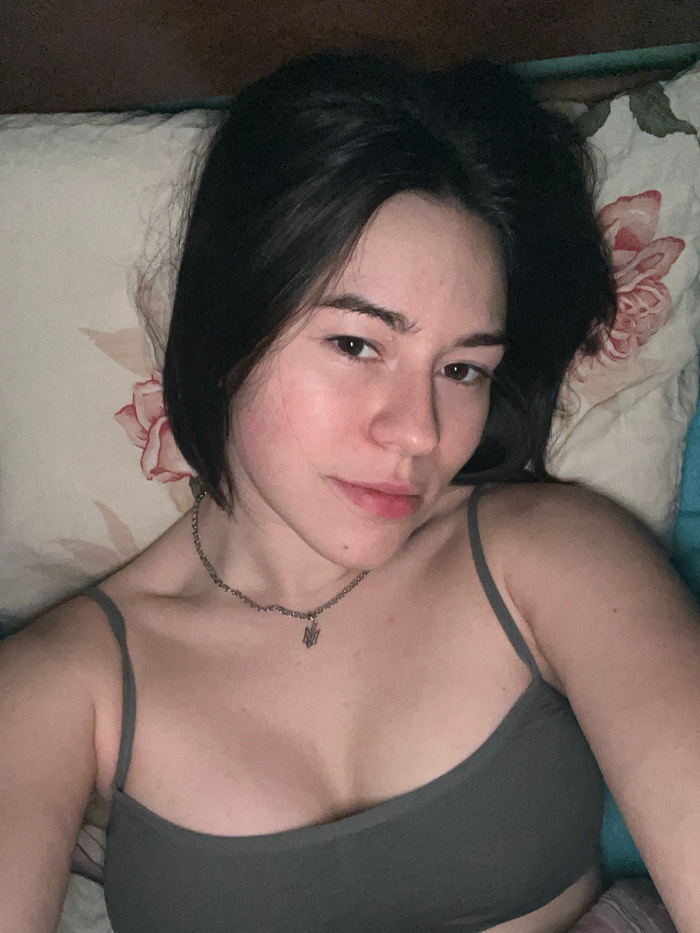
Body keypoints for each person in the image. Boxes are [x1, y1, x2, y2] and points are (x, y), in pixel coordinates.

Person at [1, 53, 699, 933]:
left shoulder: (555, 555)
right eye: (358, 345)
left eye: (462, 369)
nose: (420, 430)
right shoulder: (65, 682)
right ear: (228, 328)